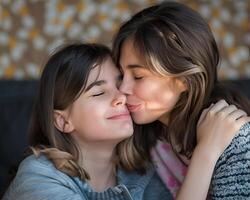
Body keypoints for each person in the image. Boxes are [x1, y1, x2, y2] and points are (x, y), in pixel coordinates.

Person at [112, 1, 250, 199]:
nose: (122, 89)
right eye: (121, 75)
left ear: (185, 79)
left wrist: (205, 153)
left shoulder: (236, 139)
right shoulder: (144, 144)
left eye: (138, 76)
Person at [2, 43, 173, 200]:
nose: (122, 97)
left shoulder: (146, 173)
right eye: (99, 92)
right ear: (63, 121)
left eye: (120, 85)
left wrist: (201, 154)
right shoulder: (38, 176)